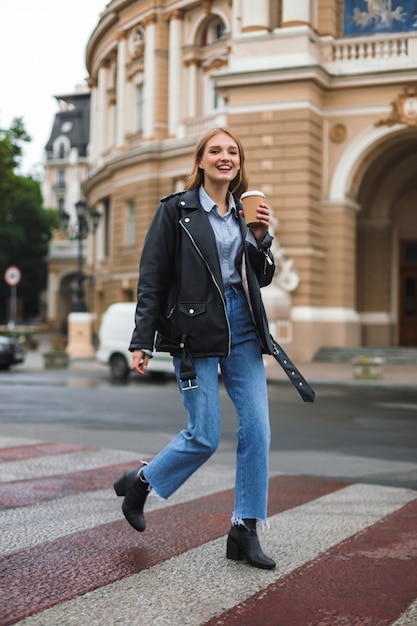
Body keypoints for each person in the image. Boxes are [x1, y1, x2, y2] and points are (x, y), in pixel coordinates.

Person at [114, 127, 277, 570]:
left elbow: (259, 279)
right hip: (195, 330)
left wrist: (261, 238)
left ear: (239, 163)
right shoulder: (176, 211)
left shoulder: (245, 216)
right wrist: (141, 339)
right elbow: (153, 276)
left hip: (243, 329)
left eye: (233, 152)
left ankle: (245, 530)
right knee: (204, 435)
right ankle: (140, 483)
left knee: (258, 431)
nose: (225, 157)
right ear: (201, 161)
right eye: (215, 151)